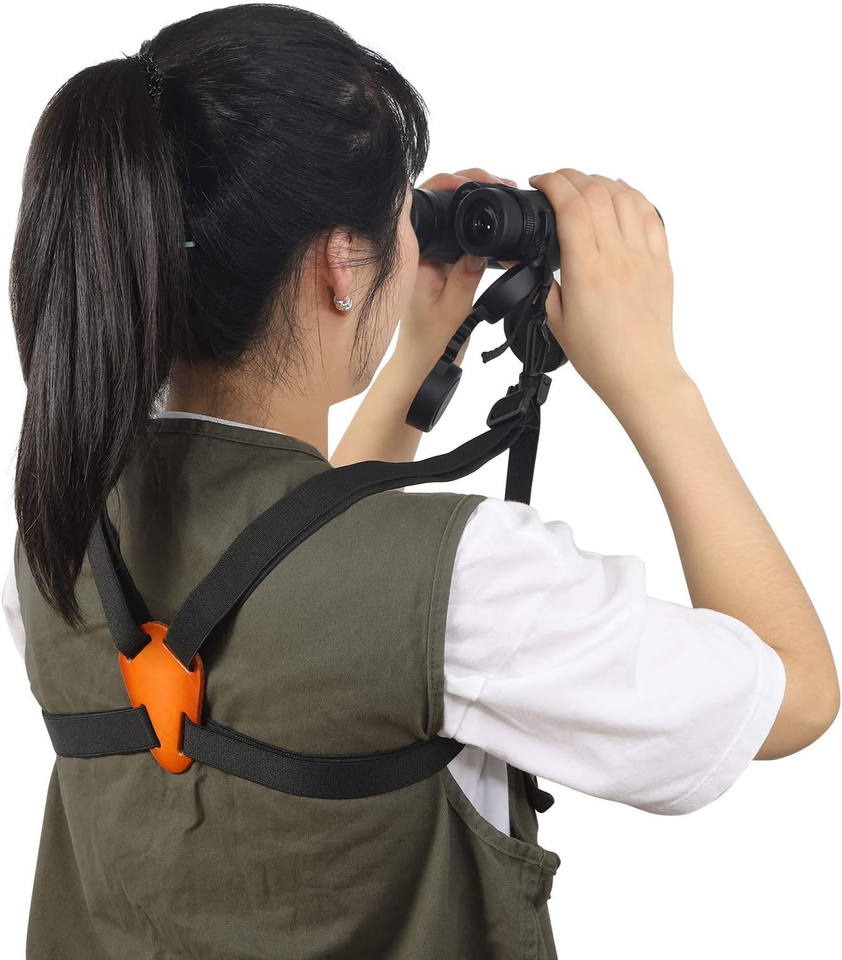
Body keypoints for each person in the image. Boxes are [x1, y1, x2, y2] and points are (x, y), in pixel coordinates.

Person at [3, 4, 838, 959]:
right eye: (402, 219)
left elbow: (290, 574)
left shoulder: (56, 540)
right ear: (341, 265)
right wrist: (652, 379)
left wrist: (416, 355)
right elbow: (794, 697)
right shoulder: (470, 585)